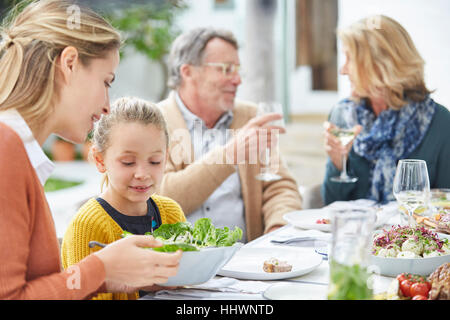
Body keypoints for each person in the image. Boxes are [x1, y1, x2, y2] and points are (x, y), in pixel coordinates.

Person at [0, 0, 181, 300]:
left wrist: (109, 276)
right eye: (106, 81)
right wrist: (102, 269)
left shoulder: (17, 150)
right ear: (69, 64)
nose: (108, 105)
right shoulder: (5, 150)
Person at [157, 27, 302, 242]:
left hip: (247, 262)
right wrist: (229, 156)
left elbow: (280, 186)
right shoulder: (153, 122)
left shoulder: (249, 116)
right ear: (188, 72)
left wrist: (277, 230)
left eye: (237, 70)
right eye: (226, 69)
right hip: (182, 266)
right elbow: (158, 199)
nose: (237, 80)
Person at [61, 97, 186, 300]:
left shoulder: (171, 213)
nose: (142, 173)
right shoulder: (88, 226)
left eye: (155, 161)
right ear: (100, 160)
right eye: (128, 162)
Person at [321, 15, 450, 205]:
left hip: (415, 234)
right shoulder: (344, 115)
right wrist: (338, 163)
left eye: (350, 59)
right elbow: (331, 208)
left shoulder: (440, 123)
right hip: (357, 232)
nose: (343, 70)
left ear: (381, 66)